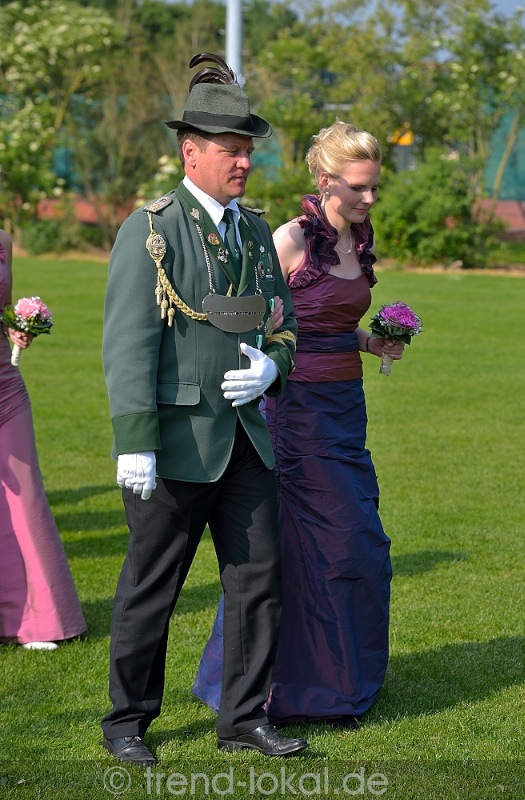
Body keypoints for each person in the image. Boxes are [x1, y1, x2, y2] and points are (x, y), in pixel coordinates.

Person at [100, 53, 306, 766]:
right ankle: (127, 720)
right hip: (177, 441)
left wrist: (271, 367)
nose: (244, 162)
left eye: (248, 150)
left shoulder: (254, 230)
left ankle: (242, 716)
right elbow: (129, 343)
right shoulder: (151, 229)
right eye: (231, 150)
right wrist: (135, 440)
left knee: (258, 583)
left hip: (245, 438)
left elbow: (284, 322)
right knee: (152, 588)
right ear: (191, 151)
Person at [193, 120, 405, 727]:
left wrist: (372, 341)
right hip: (295, 413)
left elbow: (332, 321)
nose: (369, 199)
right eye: (359, 187)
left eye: (374, 187)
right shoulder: (287, 240)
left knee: (354, 544)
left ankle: (338, 679)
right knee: (318, 543)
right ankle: (277, 687)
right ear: (326, 180)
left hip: (346, 412)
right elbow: (257, 322)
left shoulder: (360, 239)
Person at [0, 228, 86, 650]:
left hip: (5, 385)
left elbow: (2, 310)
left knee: (26, 495)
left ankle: (38, 619)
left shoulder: (3, 240)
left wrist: (15, 328)